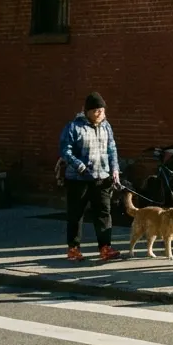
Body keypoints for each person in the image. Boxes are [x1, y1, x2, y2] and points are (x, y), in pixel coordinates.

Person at [60, 93, 122, 262]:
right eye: (95, 110)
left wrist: (115, 170)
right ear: (87, 111)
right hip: (78, 180)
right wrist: (79, 166)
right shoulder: (74, 127)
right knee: (76, 214)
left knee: (103, 213)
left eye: (101, 110)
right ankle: (73, 248)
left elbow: (112, 150)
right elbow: (66, 151)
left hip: (102, 178)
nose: (99, 114)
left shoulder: (106, 126)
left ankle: (105, 247)